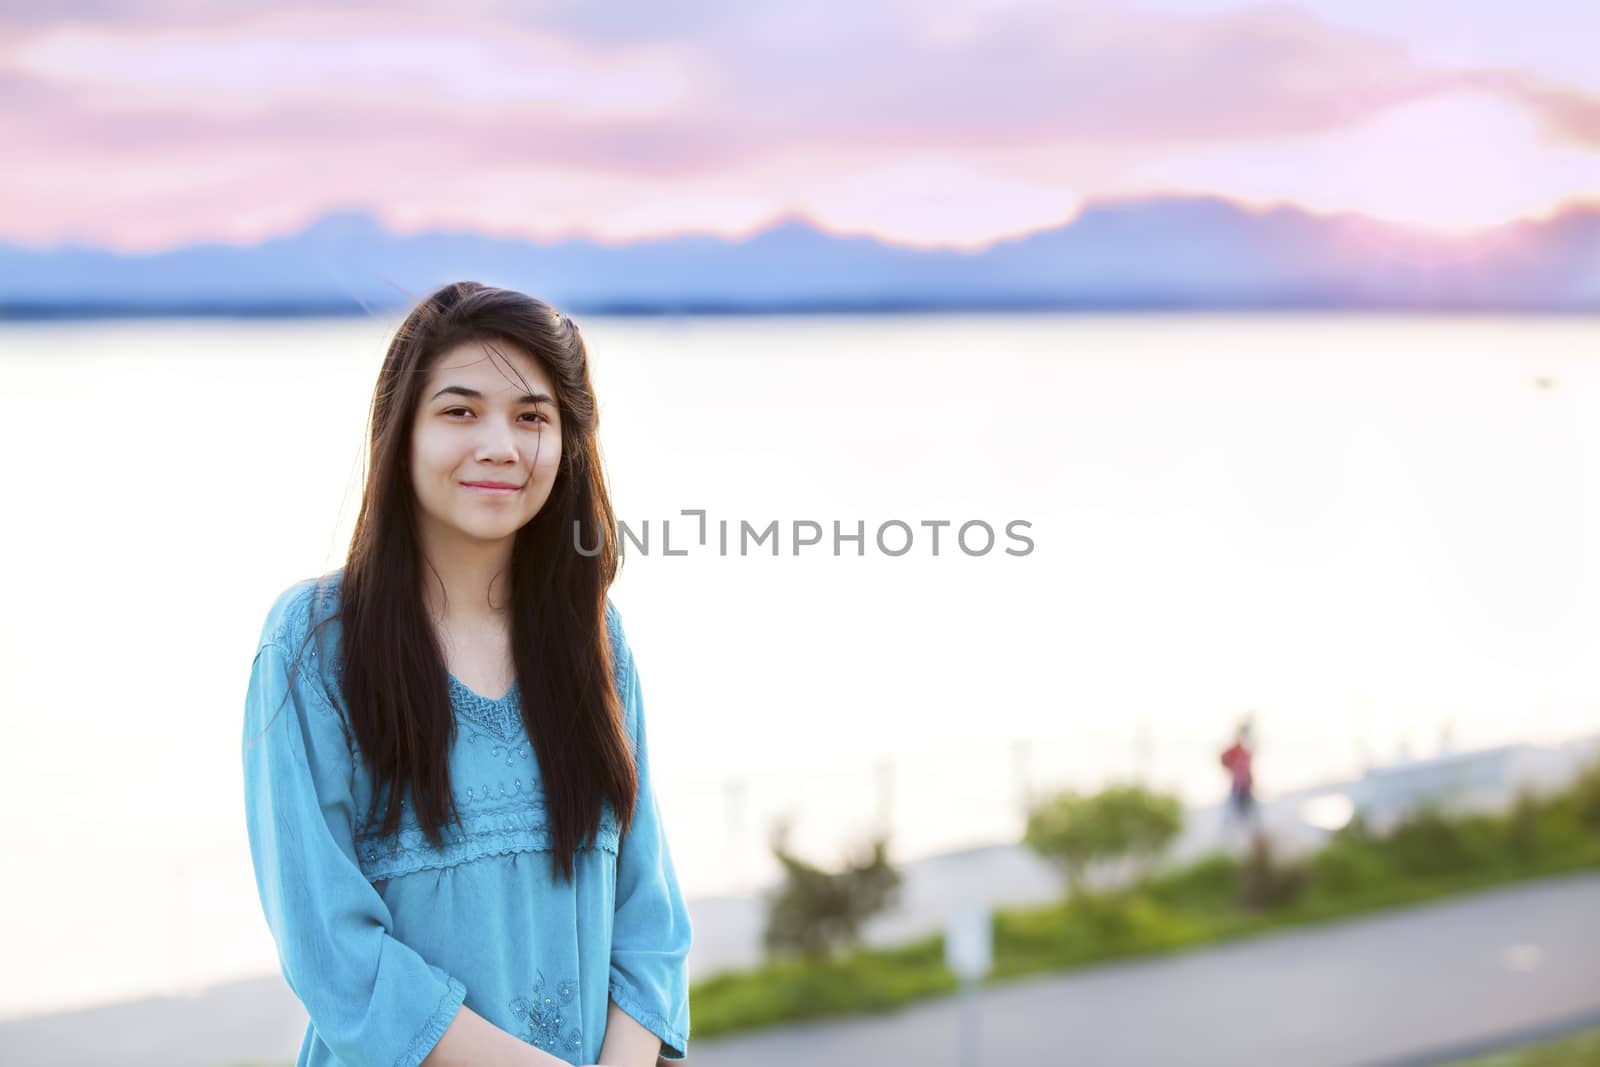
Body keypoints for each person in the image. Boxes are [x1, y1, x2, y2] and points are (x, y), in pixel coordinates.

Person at [242, 282, 691, 1067]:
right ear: (401, 430)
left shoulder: (595, 640)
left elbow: (649, 919)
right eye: (460, 410)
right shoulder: (314, 644)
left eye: (532, 416)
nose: (500, 444)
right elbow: (332, 949)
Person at [1219, 717, 1259, 843]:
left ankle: (1246, 841)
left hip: (1245, 787)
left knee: (1249, 818)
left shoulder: (1246, 749)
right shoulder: (1237, 749)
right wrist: (1231, 770)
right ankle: (1228, 841)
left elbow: (1248, 768)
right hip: (1238, 787)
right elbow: (1223, 759)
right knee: (1232, 818)